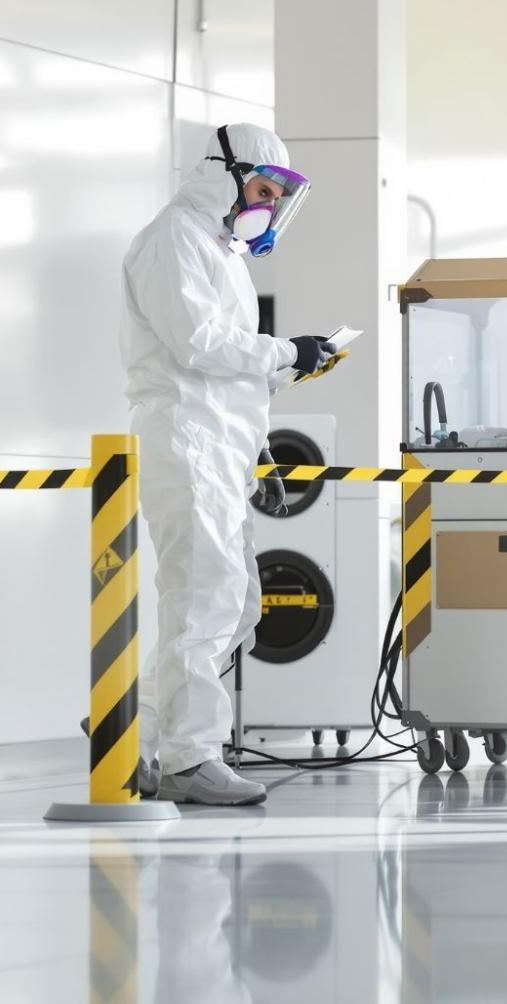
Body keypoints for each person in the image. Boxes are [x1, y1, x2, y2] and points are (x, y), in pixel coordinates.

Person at [119, 123, 337, 805]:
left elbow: (227, 363)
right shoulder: (172, 238)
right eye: (264, 190)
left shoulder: (219, 250)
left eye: (276, 198)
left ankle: (131, 729)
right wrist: (284, 350)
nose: (268, 206)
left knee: (234, 606)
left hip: (219, 444)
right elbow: (197, 344)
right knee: (201, 600)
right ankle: (190, 759)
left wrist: (288, 372)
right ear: (226, 172)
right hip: (186, 439)